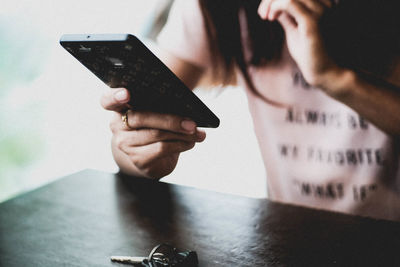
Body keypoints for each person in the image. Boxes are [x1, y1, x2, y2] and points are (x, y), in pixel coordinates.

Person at [100, 0, 400, 221]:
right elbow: (130, 141)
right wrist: (135, 149)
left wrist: (334, 79)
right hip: (287, 233)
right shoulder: (213, 8)